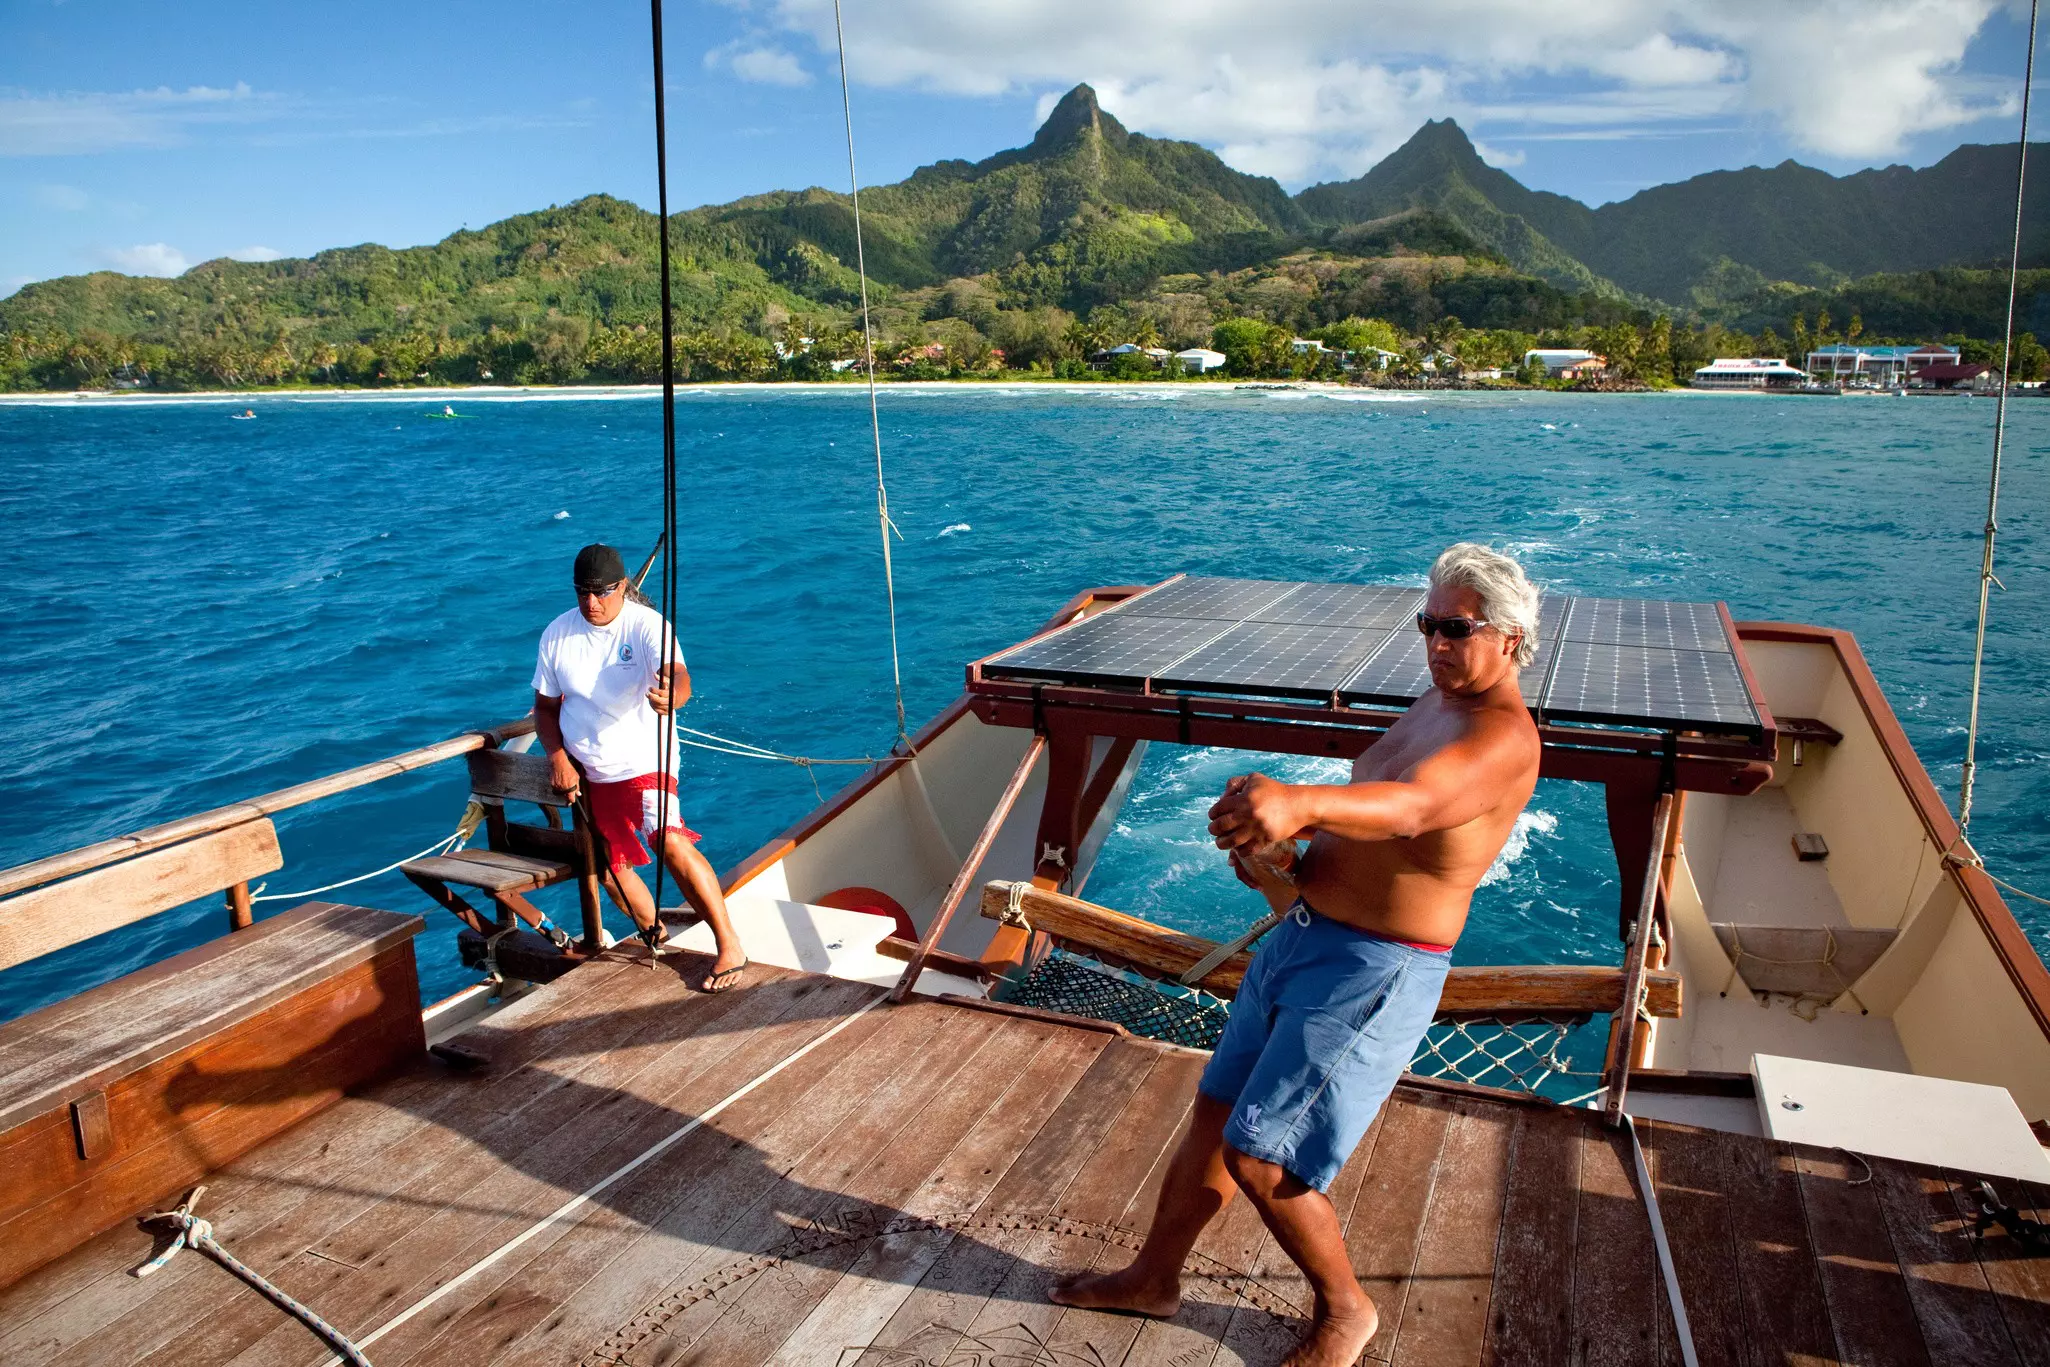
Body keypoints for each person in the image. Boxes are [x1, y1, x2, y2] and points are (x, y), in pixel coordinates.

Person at [1049, 543, 1543, 1367]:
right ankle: (1153, 1277)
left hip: (1371, 972)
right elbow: (1373, 826)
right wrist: (1278, 849)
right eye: (1428, 624)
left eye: (1455, 628)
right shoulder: (1436, 701)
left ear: (1511, 636)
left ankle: (1346, 1312)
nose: (1436, 643)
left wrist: (1301, 800)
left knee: (1263, 1152)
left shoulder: (1502, 738)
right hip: (1305, 937)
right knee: (1216, 1115)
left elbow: (1416, 808)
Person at [532, 543, 748, 992]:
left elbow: (679, 676)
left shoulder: (648, 625)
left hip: (647, 762)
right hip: (591, 773)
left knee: (670, 842)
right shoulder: (556, 634)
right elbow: (545, 708)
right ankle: (656, 937)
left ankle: (729, 944)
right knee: (612, 869)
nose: (591, 602)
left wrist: (675, 695)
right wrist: (556, 757)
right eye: (582, 593)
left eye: (602, 592)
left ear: (623, 587)